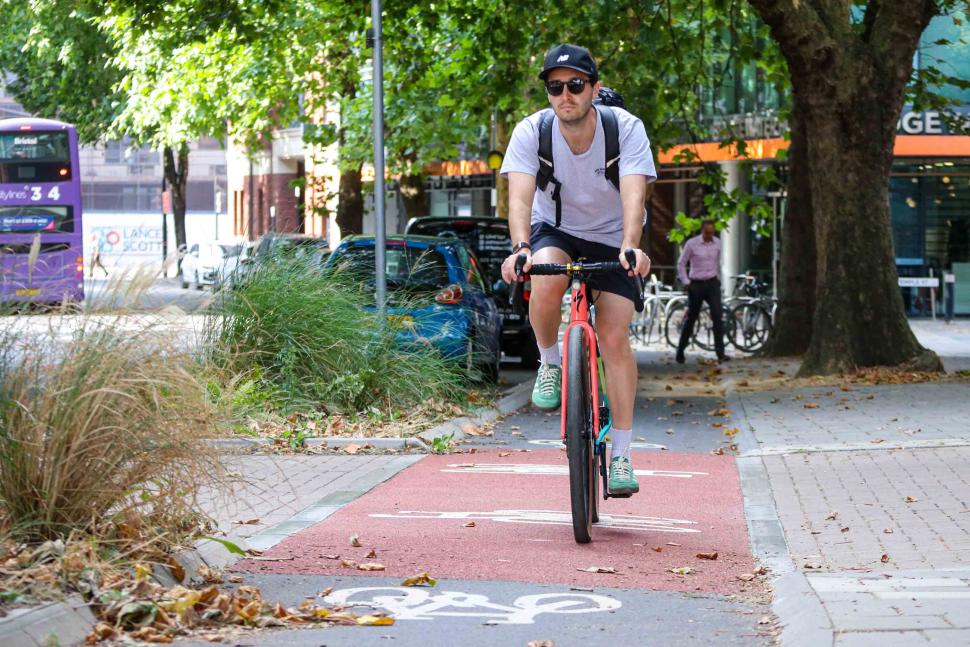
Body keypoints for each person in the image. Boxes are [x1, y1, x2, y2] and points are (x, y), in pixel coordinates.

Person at [499, 44, 656, 496]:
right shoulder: (532, 131)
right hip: (558, 229)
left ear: (594, 88)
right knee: (546, 274)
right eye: (555, 87)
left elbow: (634, 191)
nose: (565, 95)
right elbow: (520, 198)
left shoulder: (624, 128)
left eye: (575, 85)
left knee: (613, 338)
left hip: (612, 236)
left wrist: (631, 245)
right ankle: (550, 362)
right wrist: (521, 248)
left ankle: (623, 454)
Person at [675, 219, 728, 363]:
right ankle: (680, 351)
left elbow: (719, 261)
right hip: (696, 284)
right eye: (707, 233)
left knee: (718, 316)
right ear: (702, 231)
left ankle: (720, 353)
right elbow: (681, 263)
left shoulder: (718, 243)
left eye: (712, 233)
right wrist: (686, 282)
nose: (709, 235)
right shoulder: (692, 244)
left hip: (712, 283)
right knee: (691, 318)